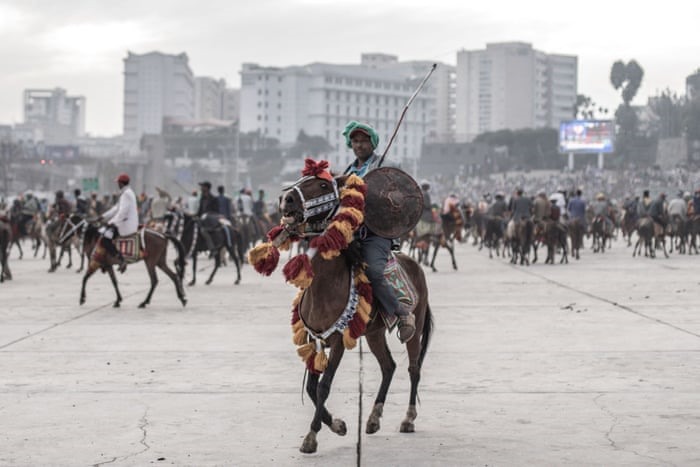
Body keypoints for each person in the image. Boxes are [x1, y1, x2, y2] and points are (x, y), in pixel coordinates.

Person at [342, 120, 415, 343]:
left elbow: (403, 197)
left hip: (377, 233)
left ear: (373, 143)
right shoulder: (348, 171)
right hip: (350, 234)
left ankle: (402, 314)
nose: (360, 145)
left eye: (364, 141)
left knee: (373, 271)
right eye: (355, 141)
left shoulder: (388, 166)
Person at [99, 173, 138, 273]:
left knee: (105, 238)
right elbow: (116, 208)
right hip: (125, 221)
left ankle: (121, 260)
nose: (117, 184)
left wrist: (111, 222)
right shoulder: (126, 192)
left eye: (118, 183)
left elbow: (122, 212)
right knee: (103, 232)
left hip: (127, 224)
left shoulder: (126, 194)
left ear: (121, 183)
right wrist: (103, 216)